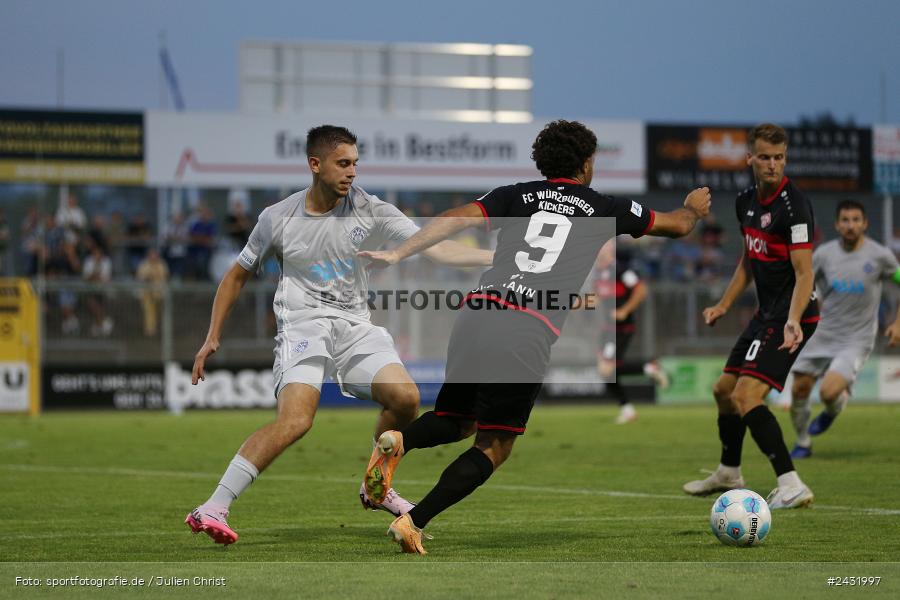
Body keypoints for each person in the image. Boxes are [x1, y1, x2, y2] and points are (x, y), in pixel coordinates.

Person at [359, 119, 710, 554]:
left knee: (456, 420)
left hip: (477, 311)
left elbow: (451, 219)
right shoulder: (604, 206)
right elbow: (677, 225)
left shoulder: (515, 194)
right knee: (494, 445)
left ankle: (399, 440)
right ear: (585, 164)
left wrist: (397, 251)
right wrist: (693, 208)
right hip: (525, 326)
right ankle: (413, 521)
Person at [184, 125, 493, 545]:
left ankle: (373, 484)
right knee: (296, 421)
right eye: (343, 163)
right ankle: (213, 506)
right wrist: (212, 336)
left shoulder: (371, 209)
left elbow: (435, 247)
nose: (352, 173)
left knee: (405, 399)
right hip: (303, 323)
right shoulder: (277, 218)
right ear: (316, 165)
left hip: (354, 325)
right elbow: (236, 276)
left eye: (355, 164)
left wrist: (495, 256)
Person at [682, 123, 818, 509]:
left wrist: (792, 319)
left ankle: (791, 483)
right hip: (767, 314)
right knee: (723, 391)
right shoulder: (745, 202)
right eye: (765, 157)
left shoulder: (794, 207)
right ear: (750, 159)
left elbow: (805, 272)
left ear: (784, 159)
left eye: (778, 158)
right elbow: (749, 259)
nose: (772, 164)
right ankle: (728, 471)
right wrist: (724, 304)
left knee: (746, 395)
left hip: (796, 313)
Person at [788, 200, 900, 458]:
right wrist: (794, 319)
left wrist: (897, 323)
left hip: (857, 338)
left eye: (856, 220)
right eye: (846, 220)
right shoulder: (824, 255)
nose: (851, 226)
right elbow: (803, 285)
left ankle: (832, 409)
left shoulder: (880, 256)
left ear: (865, 223)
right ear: (837, 225)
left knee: (828, 392)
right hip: (823, 333)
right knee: (799, 389)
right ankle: (803, 442)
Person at [593, 240, 669, 424]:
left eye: (604, 244)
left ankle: (648, 367)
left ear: (610, 247)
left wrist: (625, 310)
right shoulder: (598, 272)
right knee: (605, 372)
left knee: (607, 368)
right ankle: (628, 410)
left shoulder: (621, 270)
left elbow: (641, 290)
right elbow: (596, 299)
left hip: (621, 327)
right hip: (607, 328)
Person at [135, 247, 170, 337]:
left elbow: (164, 277)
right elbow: (141, 278)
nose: (153, 257)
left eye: (155, 254)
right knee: (149, 308)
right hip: (147, 293)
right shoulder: (143, 265)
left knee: (160, 311)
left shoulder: (161, 265)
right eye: (151, 254)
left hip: (160, 293)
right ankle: (150, 329)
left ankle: (162, 328)